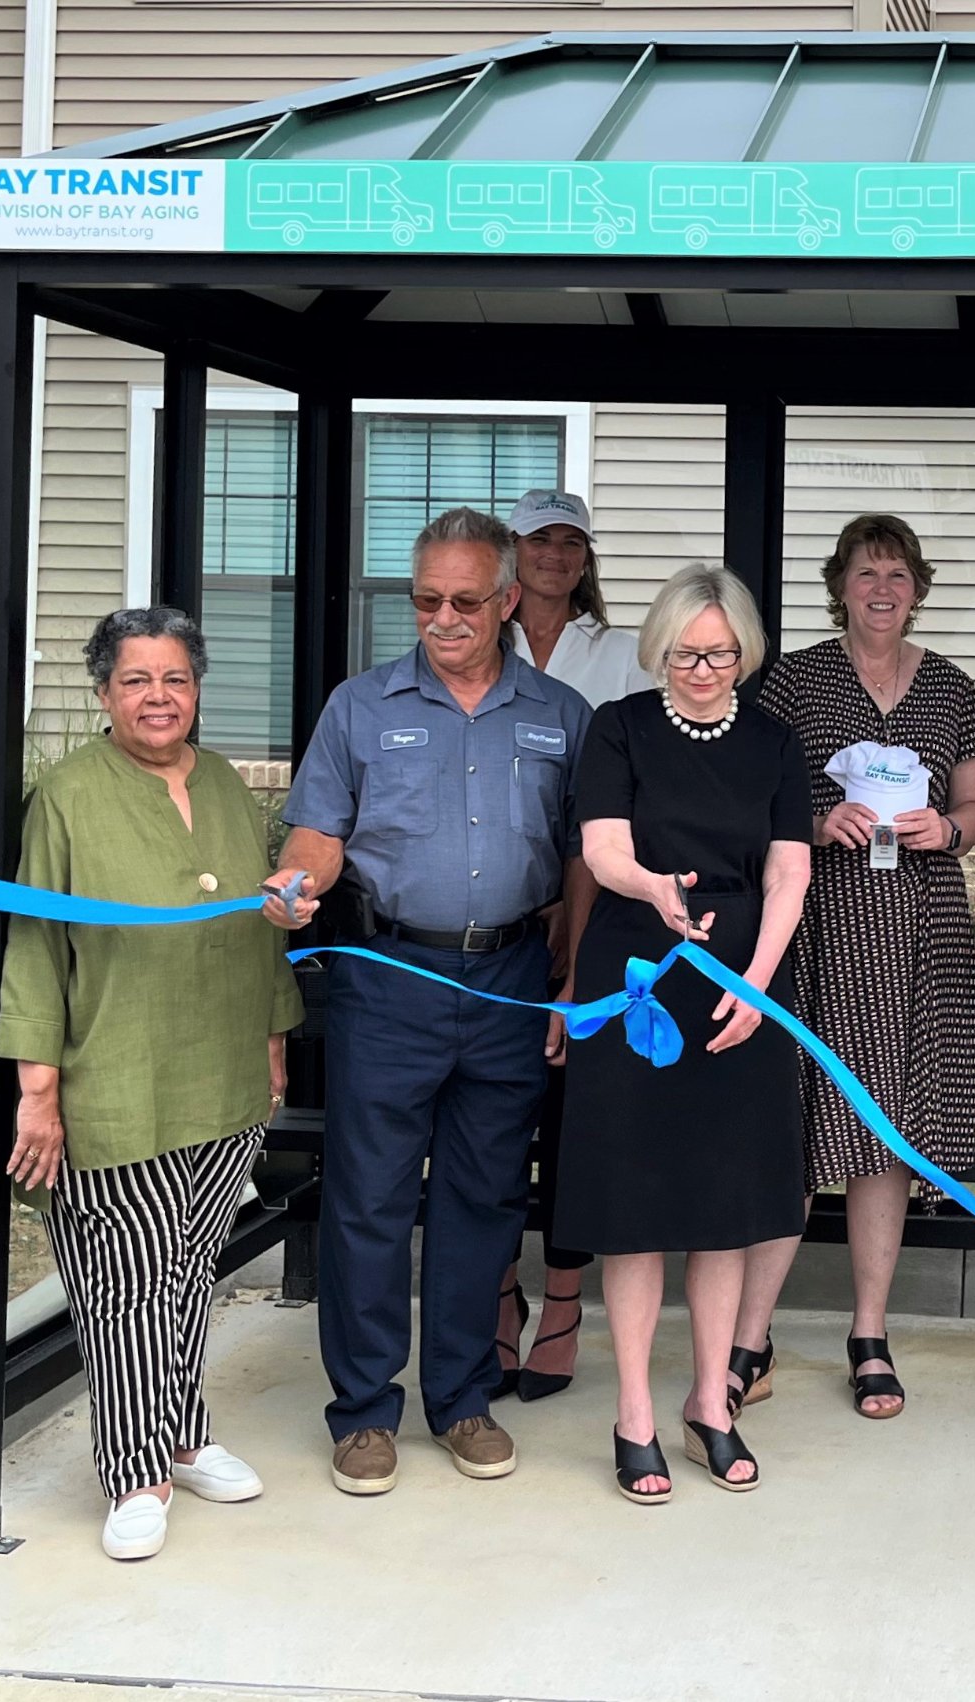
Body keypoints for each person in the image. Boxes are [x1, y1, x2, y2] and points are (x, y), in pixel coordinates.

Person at [269, 506, 592, 1496]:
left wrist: (570, 975)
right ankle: (364, 1412)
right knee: (367, 1199)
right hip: (389, 977)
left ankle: (459, 1398)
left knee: (482, 1197)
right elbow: (319, 831)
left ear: (506, 600)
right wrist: (294, 882)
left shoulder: (559, 715)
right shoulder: (360, 707)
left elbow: (581, 856)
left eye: (463, 600)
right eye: (424, 600)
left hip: (508, 978)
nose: (442, 617)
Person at [0, 606, 308, 1561]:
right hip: (114, 1075)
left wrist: (270, 1032)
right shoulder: (68, 794)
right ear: (103, 694)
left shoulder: (219, 781)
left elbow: (253, 920)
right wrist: (38, 1088)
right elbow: (35, 944)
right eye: (137, 680)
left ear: (197, 688)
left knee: (182, 1277)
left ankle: (184, 1430)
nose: (158, 697)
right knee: (122, 1284)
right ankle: (134, 1471)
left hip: (220, 1070)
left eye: (174, 678)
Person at [722, 514, 975, 1420]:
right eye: (866, 573)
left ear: (919, 587)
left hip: (919, 927)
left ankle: (869, 1334)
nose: (883, 588)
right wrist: (810, 823)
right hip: (819, 923)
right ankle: (748, 1340)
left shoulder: (951, 686)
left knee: (886, 1130)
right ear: (838, 584)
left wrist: (947, 831)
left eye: (899, 574)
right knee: (795, 1129)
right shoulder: (795, 678)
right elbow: (744, 793)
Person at [552, 563, 812, 1503]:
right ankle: (633, 1413)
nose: (702, 669)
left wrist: (758, 985)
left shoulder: (777, 743)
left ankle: (712, 1402)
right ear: (658, 649)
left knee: (726, 1206)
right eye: (685, 653)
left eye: (720, 653)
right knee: (636, 1205)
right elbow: (603, 847)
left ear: (745, 653)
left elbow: (789, 875)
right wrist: (650, 886)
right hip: (638, 976)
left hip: (744, 977)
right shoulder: (618, 727)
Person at [493, 488, 648, 1405]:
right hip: (501, 915)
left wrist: (579, 916)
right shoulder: (479, 640)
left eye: (571, 542)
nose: (555, 555)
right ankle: (498, 1298)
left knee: (574, 1123)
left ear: (587, 559)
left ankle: (562, 1302)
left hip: (599, 917)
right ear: (512, 553)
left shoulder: (622, 654)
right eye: (539, 540)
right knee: (496, 1126)